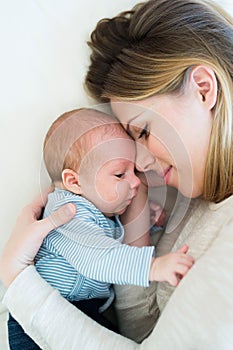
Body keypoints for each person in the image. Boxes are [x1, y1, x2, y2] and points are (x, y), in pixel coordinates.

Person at [1, 0, 233, 348]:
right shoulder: (194, 204)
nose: (139, 162)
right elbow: (140, 333)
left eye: (143, 132)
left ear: (203, 88)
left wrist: (19, 281)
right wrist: (133, 210)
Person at [7, 107, 193, 349]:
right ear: (74, 181)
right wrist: (153, 267)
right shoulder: (69, 213)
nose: (136, 181)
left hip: (81, 311)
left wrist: (147, 223)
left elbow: (109, 240)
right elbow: (98, 257)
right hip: (37, 322)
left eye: (134, 171)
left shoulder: (96, 210)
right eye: (119, 174)